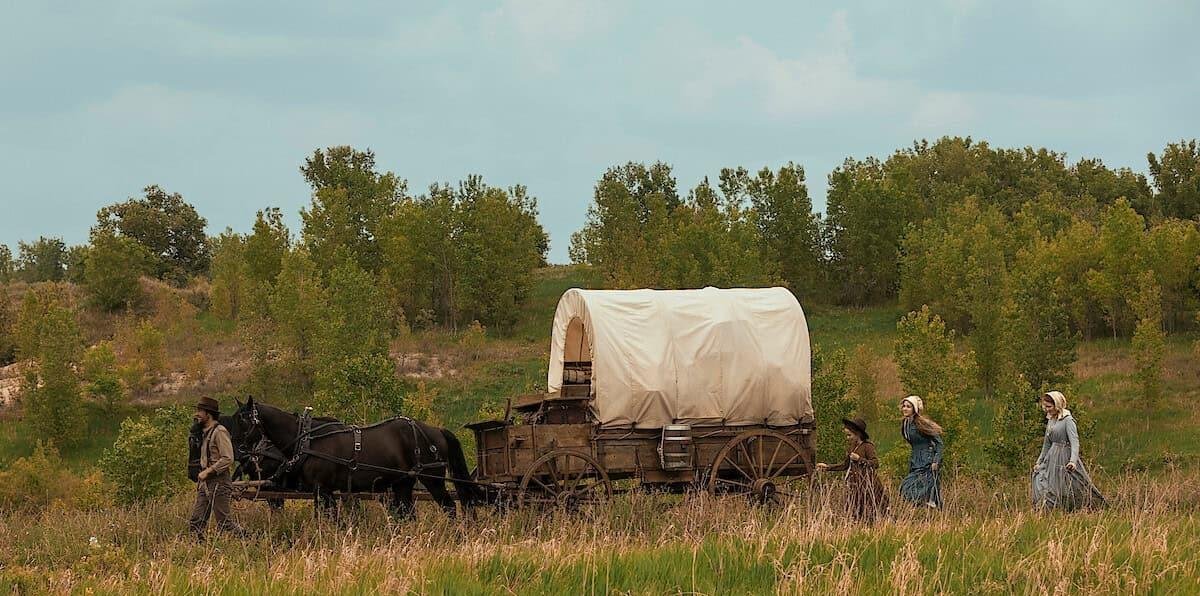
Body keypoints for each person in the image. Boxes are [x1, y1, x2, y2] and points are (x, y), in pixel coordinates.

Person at [1031, 391, 1106, 511]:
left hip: (1064, 456)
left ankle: (1084, 507)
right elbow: (1046, 444)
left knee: (1068, 485)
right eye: (1045, 406)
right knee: (1045, 482)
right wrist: (1039, 461)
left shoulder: (1068, 420)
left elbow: (1075, 442)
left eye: (1049, 407)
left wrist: (1072, 461)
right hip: (1052, 457)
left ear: (1057, 405)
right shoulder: (1051, 420)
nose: (1047, 409)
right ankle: (1049, 510)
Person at [188, 396, 242, 541]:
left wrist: (208, 471)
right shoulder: (205, 432)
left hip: (219, 482)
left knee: (225, 524)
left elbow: (228, 458)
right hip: (205, 484)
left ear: (208, 414)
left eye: (200, 411)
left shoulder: (220, 432)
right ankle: (196, 550)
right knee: (196, 521)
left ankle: (252, 541)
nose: (197, 414)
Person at [816, 417, 889, 523]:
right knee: (855, 511)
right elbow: (845, 465)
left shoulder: (867, 446)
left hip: (867, 484)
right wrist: (827, 467)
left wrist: (859, 459)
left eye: (849, 435)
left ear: (858, 434)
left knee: (873, 510)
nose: (847, 438)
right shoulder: (852, 447)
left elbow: (875, 463)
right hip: (855, 484)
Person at [899, 396, 944, 509]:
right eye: (904, 406)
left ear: (914, 409)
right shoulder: (905, 424)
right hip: (915, 460)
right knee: (907, 487)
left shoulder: (921, 423)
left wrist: (936, 460)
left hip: (927, 461)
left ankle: (932, 511)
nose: (905, 409)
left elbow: (939, 443)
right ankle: (927, 511)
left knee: (924, 489)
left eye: (908, 407)